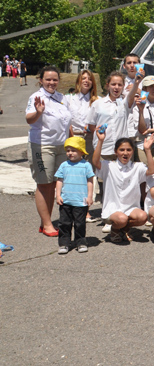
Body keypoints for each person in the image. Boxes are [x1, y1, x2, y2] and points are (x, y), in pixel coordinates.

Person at [26, 66, 73, 237]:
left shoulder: (62, 98)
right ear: (41, 80)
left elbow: (68, 122)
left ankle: (45, 222)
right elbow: (29, 119)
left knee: (54, 184)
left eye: (54, 79)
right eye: (48, 79)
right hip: (42, 145)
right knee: (44, 184)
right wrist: (38, 112)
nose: (51, 82)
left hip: (61, 145)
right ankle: (47, 225)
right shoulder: (36, 97)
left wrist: (72, 141)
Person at [92, 131, 154, 243]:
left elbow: (151, 170)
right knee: (122, 219)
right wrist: (100, 141)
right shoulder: (109, 166)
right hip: (113, 208)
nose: (125, 153)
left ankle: (125, 229)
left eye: (128, 150)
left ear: (132, 151)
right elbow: (95, 161)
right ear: (116, 152)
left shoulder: (137, 167)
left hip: (130, 207)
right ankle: (115, 229)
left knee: (142, 217)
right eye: (122, 150)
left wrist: (147, 150)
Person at [54, 136, 95, 254]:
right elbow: (59, 180)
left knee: (80, 223)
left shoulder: (86, 165)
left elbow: (90, 181)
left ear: (81, 151)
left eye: (73, 150)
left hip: (80, 201)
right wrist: (58, 195)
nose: (70, 153)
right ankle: (64, 244)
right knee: (64, 223)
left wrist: (90, 196)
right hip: (66, 200)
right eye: (68, 150)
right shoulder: (63, 165)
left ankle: (80, 242)